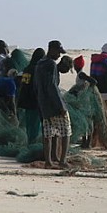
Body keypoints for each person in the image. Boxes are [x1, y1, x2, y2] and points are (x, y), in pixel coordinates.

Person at [34, 40, 71, 168]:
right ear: (52, 49)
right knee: (66, 131)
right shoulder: (51, 64)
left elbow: (37, 86)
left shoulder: (39, 63)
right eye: (58, 52)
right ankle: (62, 160)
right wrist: (61, 106)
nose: (59, 56)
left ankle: (48, 161)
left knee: (48, 133)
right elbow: (52, 86)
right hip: (53, 105)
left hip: (43, 105)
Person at [17, 48, 45, 144]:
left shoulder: (27, 69)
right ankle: (33, 144)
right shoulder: (38, 69)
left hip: (27, 100)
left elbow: (24, 84)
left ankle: (30, 142)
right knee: (36, 125)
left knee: (29, 124)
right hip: (35, 101)